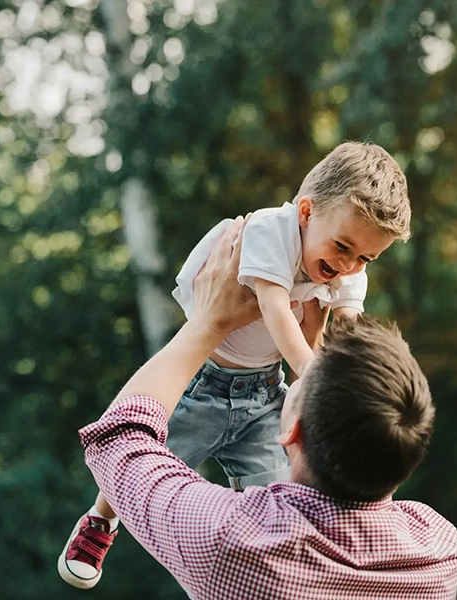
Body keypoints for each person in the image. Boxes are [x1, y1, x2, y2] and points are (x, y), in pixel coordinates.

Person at [59, 141, 413, 589]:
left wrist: (356, 379)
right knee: (140, 463)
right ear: (305, 212)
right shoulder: (269, 232)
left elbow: (348, 326)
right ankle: (100, 521)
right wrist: (318, 375)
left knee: (280, 493)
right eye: (342, 247)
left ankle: (265, 575)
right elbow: (276, 310)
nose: (347, 266)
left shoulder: (346, 268)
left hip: (266, 396)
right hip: (204, 385)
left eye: (365, 258)